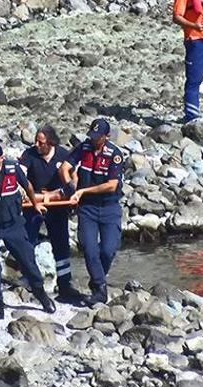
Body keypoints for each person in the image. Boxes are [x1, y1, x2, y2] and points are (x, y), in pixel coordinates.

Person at [0, 143, 56, 322]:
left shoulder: (12, 168)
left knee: (28, 262)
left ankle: (42, 295)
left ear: (1, 158)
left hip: (13, 225)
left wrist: (35, 204)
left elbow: (28, 186)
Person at [59, 119, 125, 306]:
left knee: (108, 249)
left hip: (109, 207)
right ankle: (100, 288)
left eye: (98, 137)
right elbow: (65, 168)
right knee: (89, 248)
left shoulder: (114, 154)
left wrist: (83, 191)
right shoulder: (84, 148)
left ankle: (97, 280)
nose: (93, 140)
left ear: (107, 136)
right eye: (92, 136)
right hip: (87, 208)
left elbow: (112, 186)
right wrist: (71, 188)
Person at [19, 126, 84, 305]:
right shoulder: (29, 154)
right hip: (34, 203)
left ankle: (65, 283)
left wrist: (66, 194)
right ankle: (28, 278)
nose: (37, 145)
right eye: (36, 141)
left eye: (41, 142)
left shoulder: (63, 155)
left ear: (51, 143)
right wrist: (39, 197)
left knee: (61, 243)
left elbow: (73, 178)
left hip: (57, 206)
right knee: (27, 240)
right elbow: (21, 176)